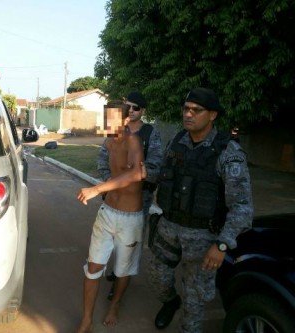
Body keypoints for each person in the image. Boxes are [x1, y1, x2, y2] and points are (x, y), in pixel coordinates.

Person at [147, 87, 253, 333]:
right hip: (168, 228)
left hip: (204, 238)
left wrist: (222, 245)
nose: (188, 114)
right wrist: (142, 173)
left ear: (212, 115)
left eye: (197, 110)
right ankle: (170, 302)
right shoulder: (176, 142)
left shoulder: (228, 152)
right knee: (157, 278)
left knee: (195, 299)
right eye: (186, 109)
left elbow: (242, 207)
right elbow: (161, 175)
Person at [75, 107, 146, 333]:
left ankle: (114, 306)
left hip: (130, 218)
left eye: (113, 118)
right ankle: (86, 321)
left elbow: (135, 175)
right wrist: (107, 186)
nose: (108, 122)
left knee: (122, 269)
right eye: (106, 118)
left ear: (125, 119)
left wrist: (97, 188)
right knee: (93, 266)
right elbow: (112, 171)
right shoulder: (109, 143)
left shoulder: (133, 141)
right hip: (107, 212)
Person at [98, 91, 163, 298]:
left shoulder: (151, 134)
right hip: (113, 196)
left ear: (142, 111)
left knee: (129, 241)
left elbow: (155, 166)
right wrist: (110, 181)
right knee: (111, 237)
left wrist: (136, 175)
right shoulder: (115, 129)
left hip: (138, 197)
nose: (131, 110)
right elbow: (103, 158)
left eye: (136, 107)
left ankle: (119, 281)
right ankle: (116, 271)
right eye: (129, 106)